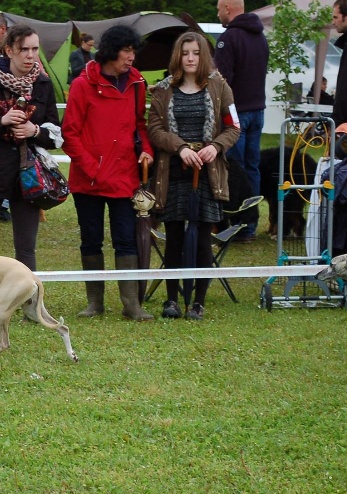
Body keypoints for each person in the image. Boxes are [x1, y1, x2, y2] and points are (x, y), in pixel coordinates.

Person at [62, 25, 154, 321]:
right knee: (91, 240)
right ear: (112, 51)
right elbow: (70, 134)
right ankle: (95, 303)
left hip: (125, 175)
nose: (131, 57)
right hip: (88, 180)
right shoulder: (81, 85)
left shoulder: (138, 83)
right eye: (127, 51)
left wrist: (147, 150)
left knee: (125, 240)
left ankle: (131, 304)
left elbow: (140, 124)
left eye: (133, 51)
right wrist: (94, 169)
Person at [147, 31, 239, 321]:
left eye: (196, 53)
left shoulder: (220, 87)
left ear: (203, 56)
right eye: (185, 53)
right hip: (173, 172)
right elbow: (155, 130)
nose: (190, 58)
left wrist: (215, 146)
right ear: (178, 56)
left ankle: (198, 302)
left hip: (208, 173)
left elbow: (234, 127)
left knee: (201, 239)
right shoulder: (162, 90)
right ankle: (172, 299)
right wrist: (181, 148)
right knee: (173, 237)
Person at [0, 24, 60, 271]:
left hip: (29, 177)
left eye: (35, 49)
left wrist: (35, 131)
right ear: (9, 50)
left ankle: (29, 305)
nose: (30, 55)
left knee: (26, 248)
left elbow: (57, 137)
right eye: (24, 49)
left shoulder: (44, 85)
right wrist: (2, 121)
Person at [214, 0, 267, 244]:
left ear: (227, 8)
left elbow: (222, 81)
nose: (217, 13)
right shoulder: (261, 37)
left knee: (234, 169)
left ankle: (236, 223)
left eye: (218, 8)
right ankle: (251, 224)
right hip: (258, 110)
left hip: (236, 113)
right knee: (252, 167)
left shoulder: (229, 38)